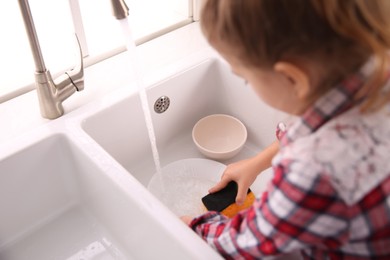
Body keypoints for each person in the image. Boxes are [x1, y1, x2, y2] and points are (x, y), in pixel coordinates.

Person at [180, 0, 390, 259]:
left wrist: (192, 225)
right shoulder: (373, 73)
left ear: (292, 78)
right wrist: (257, 162)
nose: (247, 83)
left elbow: (251, 243)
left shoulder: (314, 171)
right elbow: (321, 125)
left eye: (246, 78)